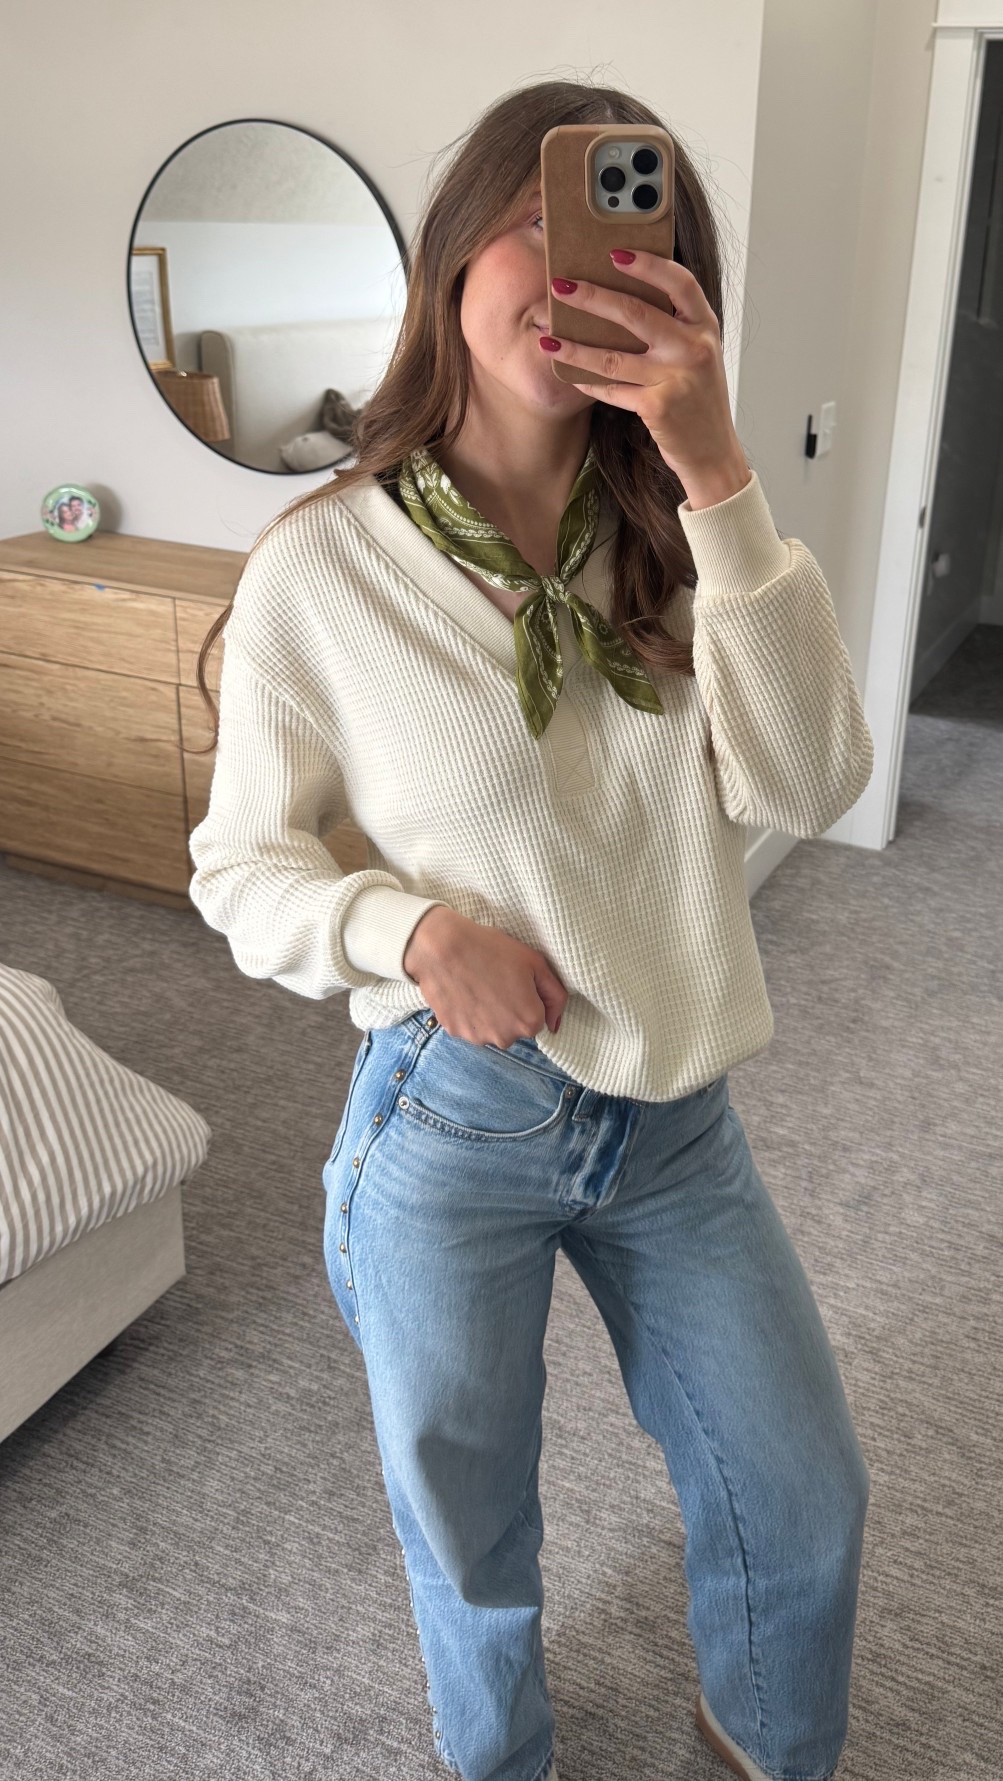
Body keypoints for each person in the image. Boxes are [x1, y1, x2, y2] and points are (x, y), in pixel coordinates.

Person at [188, 80, 873, 1781]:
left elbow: (808, 780)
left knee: (803, 1495)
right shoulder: (321, 570)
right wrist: (409, 931)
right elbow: (239, 867)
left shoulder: (682, 532)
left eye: (631, 246)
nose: (577, 280)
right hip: (454, 1118)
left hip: (677, 1114)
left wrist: (716, 469)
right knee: (470, 1523)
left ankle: (770, 1748)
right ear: (451, 260)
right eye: (538, 230)